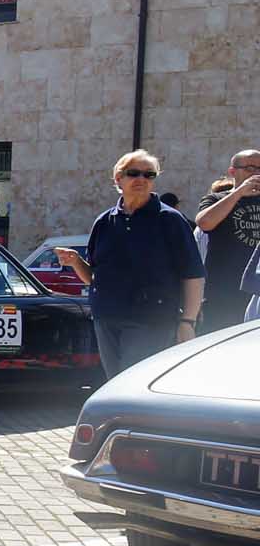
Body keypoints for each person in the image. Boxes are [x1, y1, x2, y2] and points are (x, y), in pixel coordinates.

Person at [54, 150, 204, 377]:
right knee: (114, 382)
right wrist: (75, 261)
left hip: (151, 319)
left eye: (149, 175)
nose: (141, 180)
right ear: (118, 178)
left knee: (134, 382)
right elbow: (95, 277)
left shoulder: (170, 220)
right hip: (107, 317)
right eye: (134, 173)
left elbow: (193, 274)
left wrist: (187, 321)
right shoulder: (104, 221)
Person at [195, 152, 260, 333]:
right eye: (249, 168)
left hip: (256, 293)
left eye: (259, 169)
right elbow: (205, 223)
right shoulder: (216, 199)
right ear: (233, 171)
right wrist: (239, 192)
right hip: (223, 294)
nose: (256, 173)